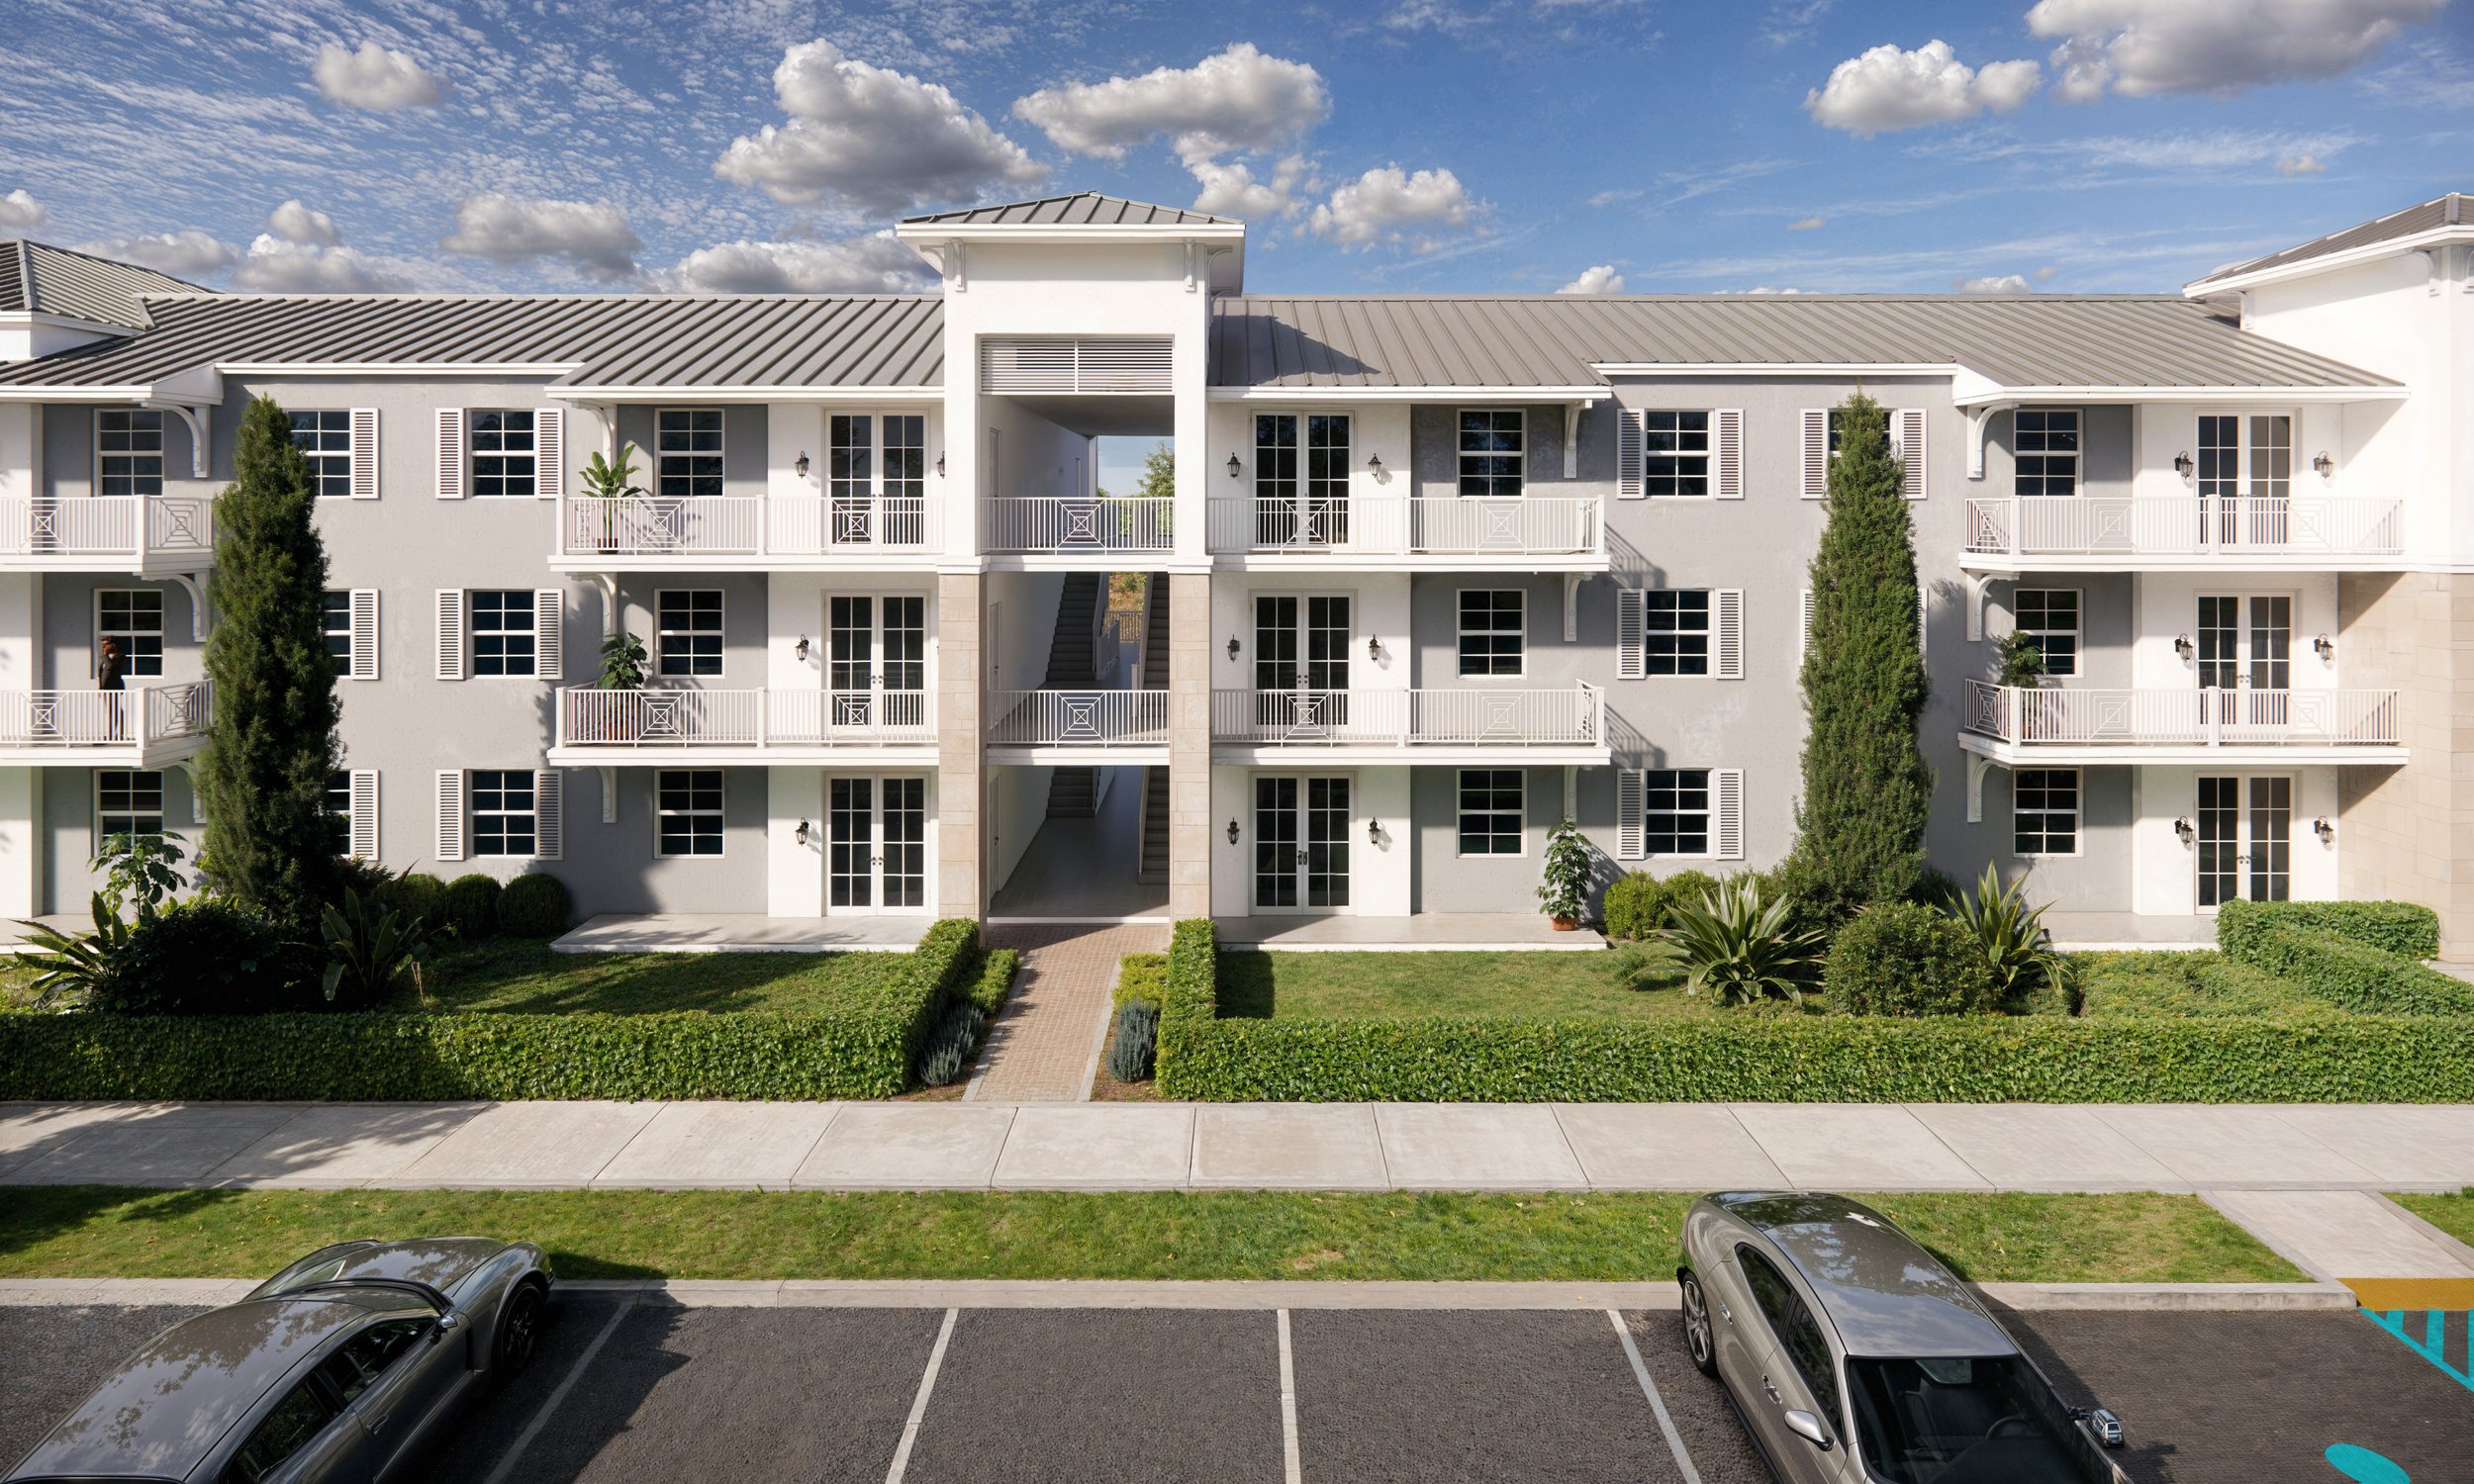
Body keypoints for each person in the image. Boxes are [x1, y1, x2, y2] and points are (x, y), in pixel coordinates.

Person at [97, 636, 125, 740]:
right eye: (103, 645)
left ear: (112, 645)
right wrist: (100, 687)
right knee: (111, 710)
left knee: (116, 710)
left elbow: (110, 667)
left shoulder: (120, 656)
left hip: (115, 687)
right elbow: (100, 674)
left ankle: (117, 733)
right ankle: (111, 733)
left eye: (105, 645)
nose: (103, 647)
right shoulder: (104, 658)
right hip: (105, 689)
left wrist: (105, 656)